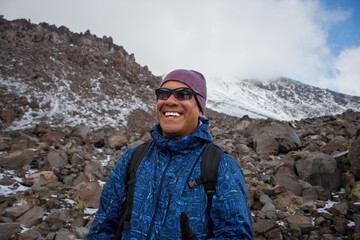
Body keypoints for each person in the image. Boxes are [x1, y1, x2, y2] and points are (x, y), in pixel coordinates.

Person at [87, 69, 254, 239]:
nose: (170, 101)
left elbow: (238, 235)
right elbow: (103, 226)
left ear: (200, 109)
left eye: (183, 94)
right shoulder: (133, 158)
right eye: (164, 93)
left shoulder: (220, 166)